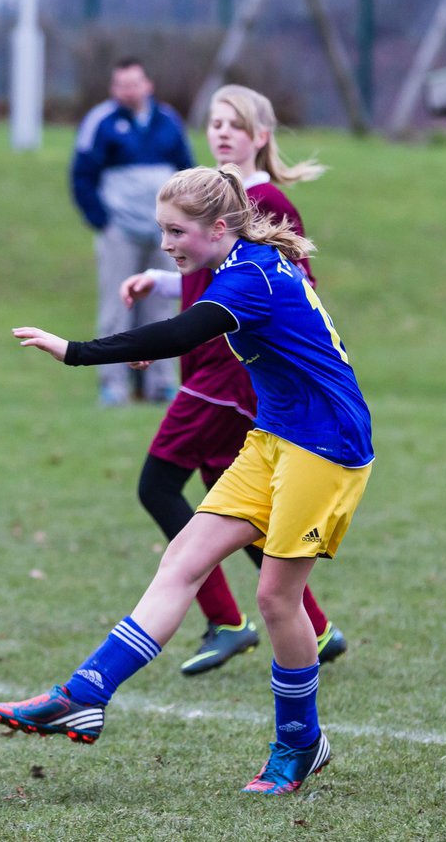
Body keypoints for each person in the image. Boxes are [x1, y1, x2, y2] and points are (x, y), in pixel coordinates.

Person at [0, 165, 374, 796]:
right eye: (161, 229)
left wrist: (77, 350)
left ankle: (300, 744)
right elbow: (214, 328)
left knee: (277, 598)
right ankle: (84, 694)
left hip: (327, 445)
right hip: (275, 437)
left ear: (218, 227)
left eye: (176, 231)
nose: (166, 242)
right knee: (182, 561)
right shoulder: (239, 264)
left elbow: (184, 330)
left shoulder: (250, 277)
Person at [117, 85, 348, 676]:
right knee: (233, 504)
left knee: (158, 485)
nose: (221, 132)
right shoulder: (211, 201)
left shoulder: (265, 201)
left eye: (235, 124)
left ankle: (224, 620)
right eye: (215, 122)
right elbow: (211, 281)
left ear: (261, 136)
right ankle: (316, 628)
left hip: (225, 375)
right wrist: (159, 280)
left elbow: (287, 294)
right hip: (204, 367)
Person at [70, 58, 195, 406]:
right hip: (119, 232)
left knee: (163, 307)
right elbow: (81, 176)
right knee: (117, 307)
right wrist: (103, 222)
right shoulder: (101, 122)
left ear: (148, 85)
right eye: (121, 84)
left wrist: (183, 224)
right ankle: (114, 386)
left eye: (134, 83)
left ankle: (162, 385)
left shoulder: (168, 121)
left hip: (165, 235)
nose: (128, 90)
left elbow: (188, 172)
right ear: (114, 89)